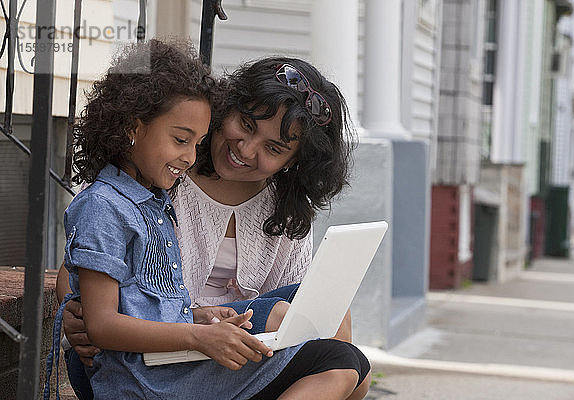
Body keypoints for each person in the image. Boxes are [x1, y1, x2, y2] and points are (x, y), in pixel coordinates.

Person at [56, 45, 371, 400]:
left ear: (294, 162)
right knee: (309, 339)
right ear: (227, 107)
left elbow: (301, 320)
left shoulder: (284, 208)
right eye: (246, 125)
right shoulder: (159, 178)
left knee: (341, 339)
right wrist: (79, 313)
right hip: (142, 364)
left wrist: (203, 318)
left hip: (203, 338)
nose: (247, 150)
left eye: (273, 148)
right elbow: (81, 276)